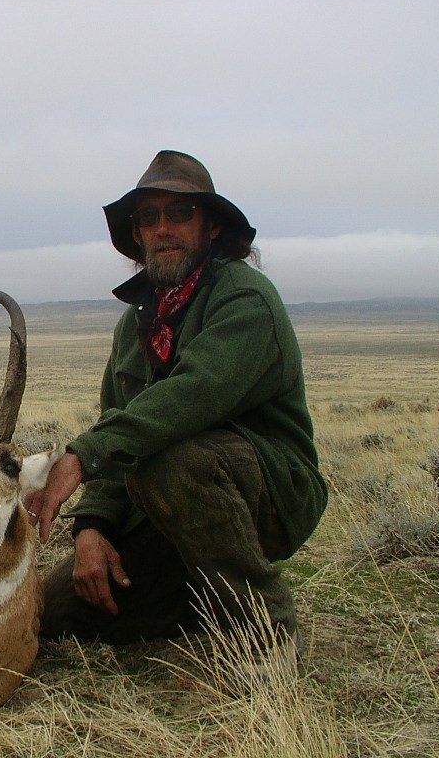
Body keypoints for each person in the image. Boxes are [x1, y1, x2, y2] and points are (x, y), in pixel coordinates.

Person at [26, 150, 327, 649]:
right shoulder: (136, 325)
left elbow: (189, 397)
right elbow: (121, 422)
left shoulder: (245, 298)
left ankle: (267, 632)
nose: (163, 227)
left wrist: (81, 458)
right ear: (138, 234)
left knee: (173, 460)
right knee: (54, 614)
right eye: (149, 217)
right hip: (164, 509)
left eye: (180, 212)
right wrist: (93, 527)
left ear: (210, 227)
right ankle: (200, 597)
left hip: (268, 492)